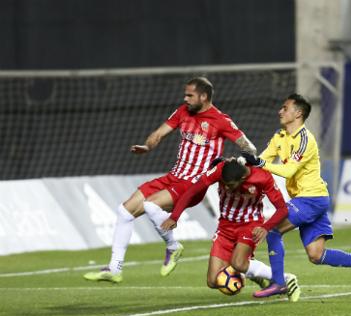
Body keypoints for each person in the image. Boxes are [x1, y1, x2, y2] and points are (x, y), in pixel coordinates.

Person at [84, 77, 257, 283]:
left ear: (203, 96)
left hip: (193, 183)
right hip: (173, 176)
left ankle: (173, 247)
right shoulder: (182, 112)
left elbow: (250, 148)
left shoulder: (220, 120)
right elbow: (159, 133)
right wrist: (148, 146)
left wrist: (234, 163)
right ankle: (114, 268)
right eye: (185, 95)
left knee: (150, 206)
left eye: (190, 95)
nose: (185, 99)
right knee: (124, 211)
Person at [242, 94, 351, 298]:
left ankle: (279, 282)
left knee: (272, 229)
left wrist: (259, 164)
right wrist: (234, 163)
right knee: (316, 255)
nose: (280, 111)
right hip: (309, 200)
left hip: (311, 199)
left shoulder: (305, 139)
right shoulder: (280, 137)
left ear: (298, 113)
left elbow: (287, 170)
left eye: (285, 107)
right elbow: (259, 160)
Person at [160, 158, 300, 301]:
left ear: (243, 178)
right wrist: (174, 216)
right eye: (224, 184)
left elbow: (282, 209)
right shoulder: (221, 170)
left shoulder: (262, 177)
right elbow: (192, 191)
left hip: (249, 225)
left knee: (238, 263)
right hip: (225, 227)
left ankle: (285, 278)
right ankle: (253, 273)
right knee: (214, 281)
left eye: (230, 185)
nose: (226, 188)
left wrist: (265, 227)